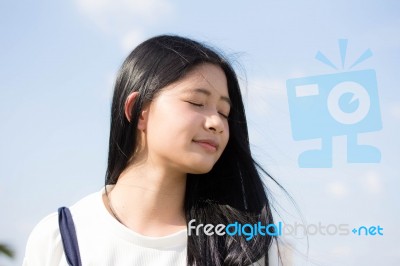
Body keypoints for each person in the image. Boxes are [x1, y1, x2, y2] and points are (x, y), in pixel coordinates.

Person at [23, 35, 281, 266]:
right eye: (196, 102)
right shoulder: (60, 237)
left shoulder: (240, 248)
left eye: (224, 112)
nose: (216, 123)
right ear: (138, 111)